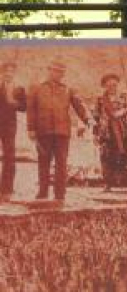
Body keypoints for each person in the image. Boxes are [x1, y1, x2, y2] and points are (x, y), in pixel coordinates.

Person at [27, 59, 91, 203]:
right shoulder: (36, 87)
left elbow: (79, 105)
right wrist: (31, 128)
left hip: (62, 132)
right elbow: (31, 110)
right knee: (43, 162)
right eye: (55, 71)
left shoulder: (68, 89)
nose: (58, 74)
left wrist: (88, 119)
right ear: (49, 70)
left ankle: (60, 194)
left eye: (61, 72)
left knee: (61, 163)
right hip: (43, 131)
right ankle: (43, 192)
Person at [93, 74, 127, 191]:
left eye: (114, 85)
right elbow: (96, 117)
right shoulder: (100, 99)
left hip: (123, 132)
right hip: (106, 133)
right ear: (105, 86)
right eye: (109, 85)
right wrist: (95, 134)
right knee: (107, 158)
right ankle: (108, 184)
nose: (112, 87)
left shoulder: (124, 97)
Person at [0, 61, 26, 202]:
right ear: (2, 73)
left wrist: (13, 103)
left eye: (11, 72)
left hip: (9, 126)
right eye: (6, 71)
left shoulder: (19, 89)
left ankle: (7, 189)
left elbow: (24, 107)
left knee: (9, 156)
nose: (8, 74)